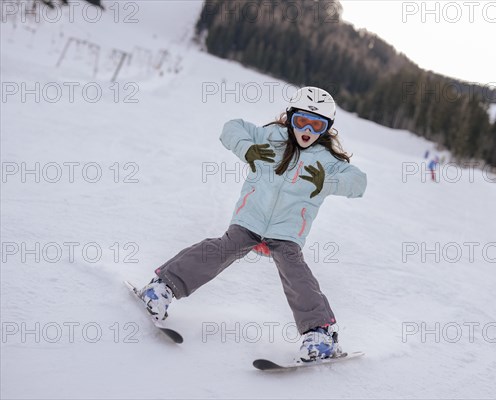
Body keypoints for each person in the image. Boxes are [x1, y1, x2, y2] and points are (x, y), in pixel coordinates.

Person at [138, 86, 367, 361]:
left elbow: (358, 182)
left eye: (316, 124)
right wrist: (247, 149)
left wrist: (329, 182)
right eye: (301, 121)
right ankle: (161, 288)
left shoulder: (327, 161)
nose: (307, 130)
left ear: (326, 128)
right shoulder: (271, 137)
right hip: (250, 220)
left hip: (288, 232)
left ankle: (319, 334)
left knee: (296, 272)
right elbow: (231, 128)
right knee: (221, 250)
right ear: (290, 117)